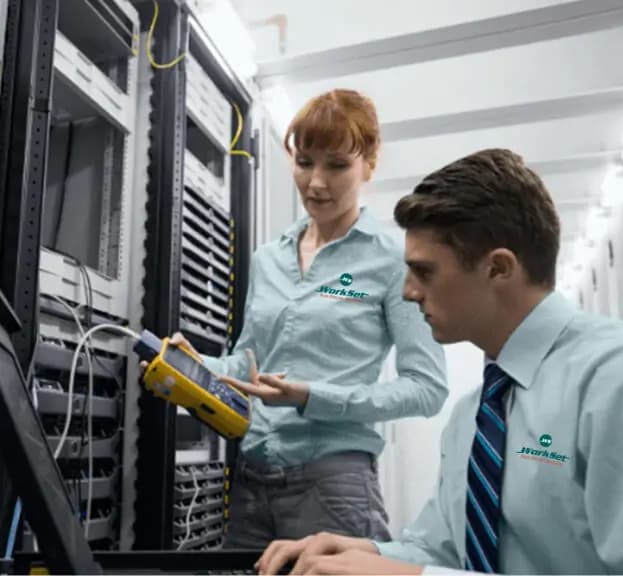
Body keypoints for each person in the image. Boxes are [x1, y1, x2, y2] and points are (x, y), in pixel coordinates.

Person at [255, 148, 623, 575]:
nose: (408, 292)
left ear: (498, 269)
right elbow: (441, 551)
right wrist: (369, 554)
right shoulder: (473, 417)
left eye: (425, 271)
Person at [167, 89, 448, 547]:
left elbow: (427, 388)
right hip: (251, 478)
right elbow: (247, 365)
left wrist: (312, 397)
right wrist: (192, 364)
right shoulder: (267, 259)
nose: (316, 182)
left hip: (333, 486)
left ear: (369, 166)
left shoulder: (392, 261)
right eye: (304, 162)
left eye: (337, 165)